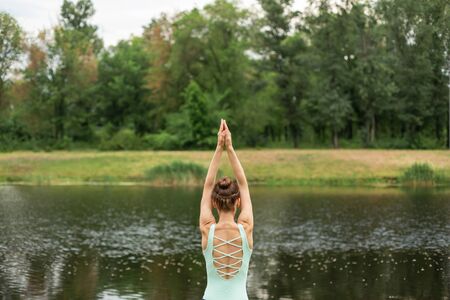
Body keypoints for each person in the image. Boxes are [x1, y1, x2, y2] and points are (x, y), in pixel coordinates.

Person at [199, 119, 254, 300]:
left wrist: (218, 147)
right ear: (238, 201)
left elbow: (208, 186)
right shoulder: (246, 228)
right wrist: (229, 147)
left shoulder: (207, 228)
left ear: (214, 202)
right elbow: (244, 184)